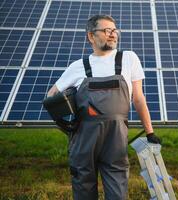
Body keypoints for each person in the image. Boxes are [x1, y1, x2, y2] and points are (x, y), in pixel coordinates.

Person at [47, 14, 161, 200]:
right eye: (107, 30)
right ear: (91, 36)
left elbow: (139, 99)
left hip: (115, 138)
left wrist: (150, 133)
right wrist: (66, 124)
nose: (113, 34)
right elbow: (51, 97)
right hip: (84, 138)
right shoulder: (78, 66)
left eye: (115, 30)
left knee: (118, 191)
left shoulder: (128, 58)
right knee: (83, 188)